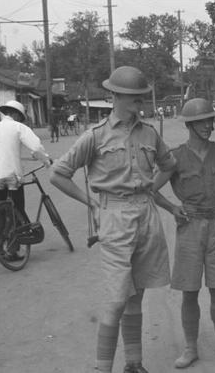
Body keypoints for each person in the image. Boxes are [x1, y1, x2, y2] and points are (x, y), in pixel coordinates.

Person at [50, 66, 176, 373]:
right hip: (114, 218)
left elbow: (168, 165)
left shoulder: (150, 133)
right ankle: (101, 368)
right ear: (116, 96)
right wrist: (91, 204)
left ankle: (133, 364)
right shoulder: (94, 136)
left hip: (146, 216)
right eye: (133, 96)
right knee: (117, 298)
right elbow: (58, 174)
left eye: (141, 96)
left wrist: (150, 190)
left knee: (138, 294)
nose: (140, 101)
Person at [152, 98, 215, 369]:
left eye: (210, 120)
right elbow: (151, 189)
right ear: (189, 125)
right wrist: (172, 208)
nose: (207, 125)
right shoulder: (174, 158)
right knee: (189, 291)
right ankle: (190, 348)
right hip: (190, 228)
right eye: (200, 121)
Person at [0, 100, 51, 260]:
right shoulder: (19, 127)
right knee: (16, 211)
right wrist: (46, 161)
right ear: (17, 115)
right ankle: (12, 250)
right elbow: (35, 147)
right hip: (13, 177)